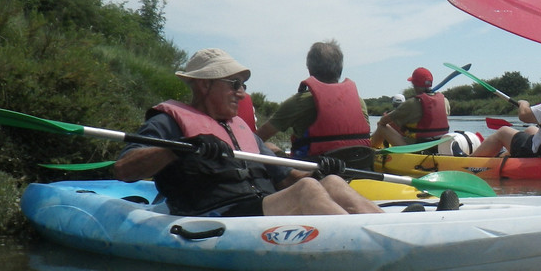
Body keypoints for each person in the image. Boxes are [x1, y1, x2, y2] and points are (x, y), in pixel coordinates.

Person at [114, 48, 383, 217]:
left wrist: (321, 171)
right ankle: (370, 242)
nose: (242, 93)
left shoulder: (240, 129)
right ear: (205, 86)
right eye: (234, 84)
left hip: (258, 207)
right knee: (307, 190)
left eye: (243, 85)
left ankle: (387, 227)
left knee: (330, 182)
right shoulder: (167, 122)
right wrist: (176, 148)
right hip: (217, 212)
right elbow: (124, 169)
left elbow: (285, 178)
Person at [256, 40, 370, 158]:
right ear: (340, 69)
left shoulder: (299, 102)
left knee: (269, 146)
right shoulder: (359, 102)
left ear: (309, 68)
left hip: (314, 171)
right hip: (358, 169)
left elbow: (258, 138)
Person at [371, 67, 451, 147]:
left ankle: (371, 152)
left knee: (381, 126)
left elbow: (383, 121)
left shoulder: (412, 103)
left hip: (414, 147)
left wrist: (392, 113)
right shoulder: (445, 101)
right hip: (439, 145)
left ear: (414, 84)